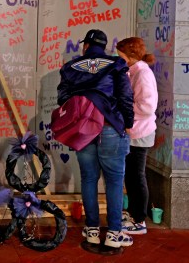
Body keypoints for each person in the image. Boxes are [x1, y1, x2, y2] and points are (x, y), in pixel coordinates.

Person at [57, 29, 134, 248]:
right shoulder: (117, 64)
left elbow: (62, 97)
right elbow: (126, 97)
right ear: (104, 45)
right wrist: (128, 123)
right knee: (114, 181)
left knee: (89, 178)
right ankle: (113, 234)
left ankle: (91, 230)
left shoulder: (71, 67)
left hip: (83, 131)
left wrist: (82, 104)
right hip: (111, 128)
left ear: (86, 46)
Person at [115, 37, 158, 235]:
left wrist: (125, 110)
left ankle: (139, 220)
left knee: (136, 176)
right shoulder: (134, 71)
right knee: (131, 176)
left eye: (121, 56)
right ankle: (133, 213)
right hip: (135, 130)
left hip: (140, 133)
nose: (119, 59)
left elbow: (147, 107)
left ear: (130, 56)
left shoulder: (142, 74)